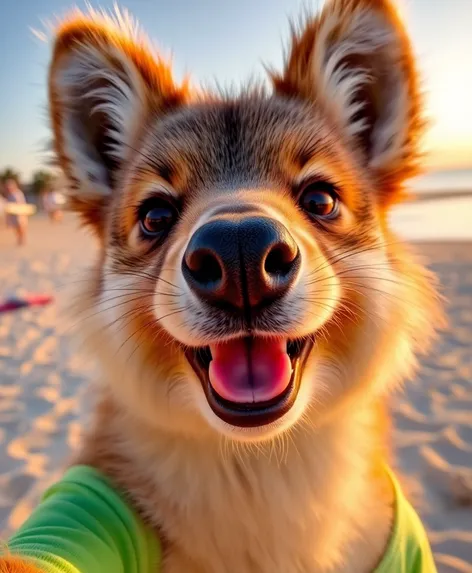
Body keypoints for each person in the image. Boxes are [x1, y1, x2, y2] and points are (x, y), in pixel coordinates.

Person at [4, 178, 28, 246]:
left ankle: (22, 239)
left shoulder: (18, 193)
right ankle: (19, 239)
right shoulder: (9, 195)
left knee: (21, 226)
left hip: (20, 213)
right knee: (15, 227)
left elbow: (22, 203)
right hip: (13, 214)